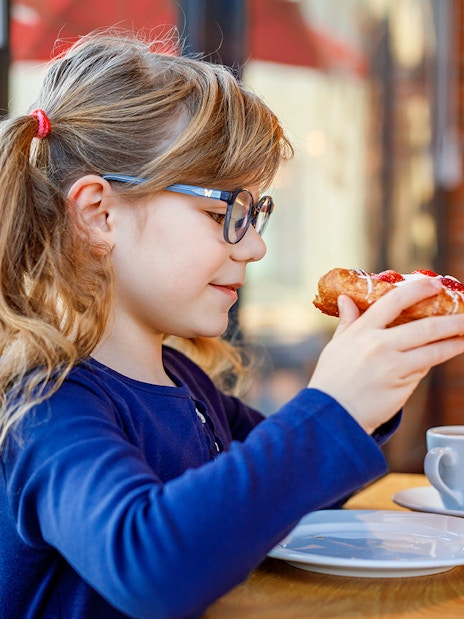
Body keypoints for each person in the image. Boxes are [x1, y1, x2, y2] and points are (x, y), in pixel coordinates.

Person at [0, 30, 463, 619]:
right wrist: (333, 409)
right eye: (223, 213)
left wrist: (367, 396)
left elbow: (277, 495)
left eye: (256, 214)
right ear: (98, 215)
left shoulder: (183, 382)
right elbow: (151, 564)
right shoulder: (44, 406)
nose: (257, 248)